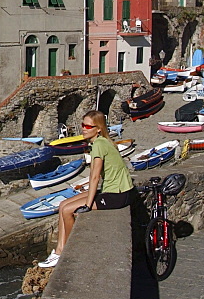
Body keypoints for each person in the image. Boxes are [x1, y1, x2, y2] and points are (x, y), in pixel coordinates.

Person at [38, 109, 135, 268]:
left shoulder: (99, 145)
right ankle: (58, 252)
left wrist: (88, 205)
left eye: (88, 126)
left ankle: (68, 250)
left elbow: (95, 177)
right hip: (112, 190)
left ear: (98, 129)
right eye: (83, 125)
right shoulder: (102, 141)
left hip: (117, 195)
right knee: (63, 205)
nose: (84, 128)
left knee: (69, 210)